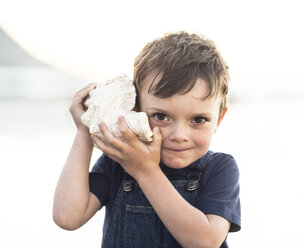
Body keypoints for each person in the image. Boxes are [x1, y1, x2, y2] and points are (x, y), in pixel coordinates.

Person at [53, 31, 241, 247]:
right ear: (136, 110)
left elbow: (205, 241)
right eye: (161, 117)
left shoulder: (219, 168)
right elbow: (67, 217)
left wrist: (145, 171)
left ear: (219, 119)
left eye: (198, 119)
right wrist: (85, 131)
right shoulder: (118, 163)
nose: (179, 136)